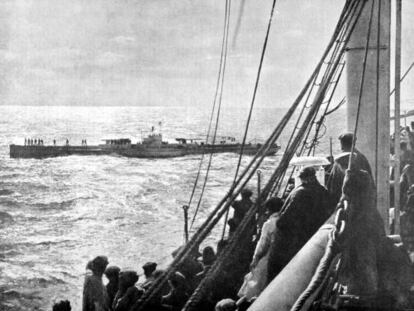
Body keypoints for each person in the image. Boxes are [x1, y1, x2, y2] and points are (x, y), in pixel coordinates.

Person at [267, 166, 333, 284]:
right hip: (314, 237)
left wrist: (279, 225)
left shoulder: (300, 192)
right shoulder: (323, 191)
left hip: (295, 239)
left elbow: (284, 220)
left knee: (278, 269)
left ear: (305, 178)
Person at [238, 197, 283, 300]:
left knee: (255, 283)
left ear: (269, 209)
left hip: (268, 257)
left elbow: (263, 245)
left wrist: (255, 259)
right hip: (280, 257)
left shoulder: (269, 224)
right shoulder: (285, 220)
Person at [327, 132, 372, 206]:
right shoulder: (361, 158)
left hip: (347, 201)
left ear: (343, 144)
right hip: (358, 202)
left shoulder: (340, 160)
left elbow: (332, 183)